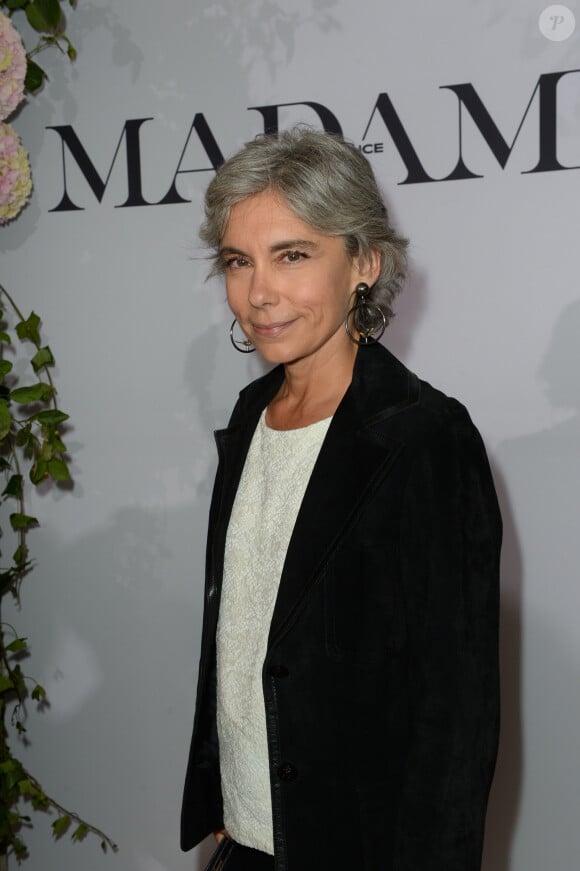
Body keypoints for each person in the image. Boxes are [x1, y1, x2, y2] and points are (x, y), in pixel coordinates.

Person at [181, 128, 502, 870]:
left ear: (364, 262)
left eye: (292, 255)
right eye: (238, 261)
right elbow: (248, 638)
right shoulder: (248, 416)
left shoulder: (425, 438)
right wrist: (231, 813)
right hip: (248, 842)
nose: (259, 293)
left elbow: (455, 723)